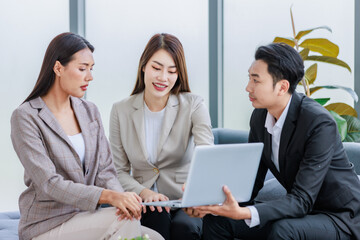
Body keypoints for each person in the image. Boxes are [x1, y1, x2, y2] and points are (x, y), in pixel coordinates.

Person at [185, 43, 360, 240]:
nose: (248, 87)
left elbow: (302, 200)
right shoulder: (260, 118)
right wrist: (214, 205)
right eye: (249, 78)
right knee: (218, 221)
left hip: (339, 217)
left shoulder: (318, 123)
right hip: (298, 212)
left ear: (282, 87)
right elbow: (251, 182)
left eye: (256, 80)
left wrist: (245, 213)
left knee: (285, 230)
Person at [10, 32, 163, 240]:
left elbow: (105, 172)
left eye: (91, 69)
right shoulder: (26, 117)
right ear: (58, 68)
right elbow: (49, 183)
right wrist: (109, 196)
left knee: (155, 237)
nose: (89, 77)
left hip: (86, 217)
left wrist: (124, 200)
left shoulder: (90, 111)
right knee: (123, 222)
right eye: (82, 69)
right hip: (47, 225)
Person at [109, 33, 214, 240]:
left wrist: (196, 192)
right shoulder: (121, 110)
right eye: (156, 68)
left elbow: (207, 157)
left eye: (172, 71)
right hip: (143, 200)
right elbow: (117, 171)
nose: (163, 78)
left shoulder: (194, 104)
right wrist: (144, 193)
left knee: (185, 228)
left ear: (178, 74)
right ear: (143, 66)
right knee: (155, 220)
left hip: (184, 200)